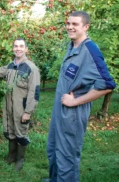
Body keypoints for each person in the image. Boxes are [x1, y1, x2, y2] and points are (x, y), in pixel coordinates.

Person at [44, 11, 116, 182]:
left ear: (86, 27)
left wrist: (75, 101)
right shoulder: (72, 46)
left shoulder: (90, 50)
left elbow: (107, 84)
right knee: (53, 149)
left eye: (75, 24)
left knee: (66, 157)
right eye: (68, 23)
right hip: (59, 111)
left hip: (72, 115)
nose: (69, 27)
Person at [0, 38, 40, 171]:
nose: (18, 49)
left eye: (21, 46)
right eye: (15, 46)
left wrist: (28, 112)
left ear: (26, 49)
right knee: (10, 130)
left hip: (22, 107)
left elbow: (34, 91)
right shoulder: (10, 65)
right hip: (9, 106)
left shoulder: (31, 68)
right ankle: (11, 156)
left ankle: (20, 159)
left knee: (21, 132)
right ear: (13, 48)